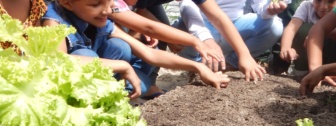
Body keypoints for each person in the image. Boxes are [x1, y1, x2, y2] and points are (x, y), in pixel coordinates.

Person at [42, 0, 229, 99]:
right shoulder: (54, 21)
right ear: (67, 3)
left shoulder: (100, 18)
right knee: (85, 55)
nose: (107, 10)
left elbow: (149, 53)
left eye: (108, 1)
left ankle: (123, 91)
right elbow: (58, 60)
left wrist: (198, 68)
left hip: (102, 72)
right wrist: (122, 66)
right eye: (95, 4)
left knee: (121, 46)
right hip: (74, 82)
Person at [109, 0, 225, 95]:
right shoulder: (110, 8)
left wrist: (198, 67)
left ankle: (143, 83)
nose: (106, 9)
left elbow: (150, 50)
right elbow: (148, 27)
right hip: (99, 58)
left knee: (142, 84)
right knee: (121, 47)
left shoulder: (114, 8)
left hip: (114, 45)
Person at [175, 0, 287, 76]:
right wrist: (206, 39)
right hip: (201, 23)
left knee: (274, 25)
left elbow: (260, 5)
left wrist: (269, 10)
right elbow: (186, 4)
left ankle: (231, 64)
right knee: (177, 29)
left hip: (234, 25)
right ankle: (197, 67)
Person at [280, 0, 336, 83]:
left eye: (330, 1)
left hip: (334, 60)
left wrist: (322, 32)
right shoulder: (307, 6)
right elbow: (291, 28)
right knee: (304, 28)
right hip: (307, 59)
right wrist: (286, 47)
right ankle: (303, 72)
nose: (323, 7)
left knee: (324, 30)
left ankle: (331, 75)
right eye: (318, 0)